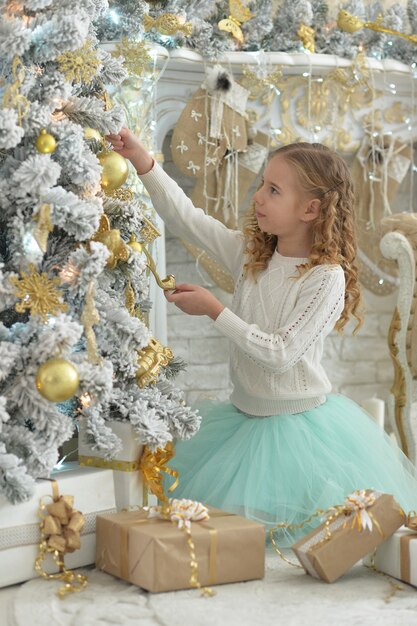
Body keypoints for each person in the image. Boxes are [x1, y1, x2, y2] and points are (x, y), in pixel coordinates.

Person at [107, 128, 417, 545]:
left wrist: (215, 310)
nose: (257, 197)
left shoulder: (326, 279)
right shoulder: (252, 258)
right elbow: (188, 219)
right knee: (230, 539)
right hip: (243, 418)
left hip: (298, 430)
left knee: (292, 540)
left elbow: (281, 353)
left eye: (273, 190)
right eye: (261, 185)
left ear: (310, 209)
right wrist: (144, 163)